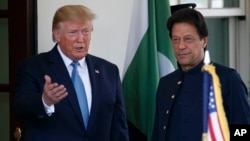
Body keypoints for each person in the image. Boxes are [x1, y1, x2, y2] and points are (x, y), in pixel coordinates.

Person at [14, 5, 129, 141]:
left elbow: (119, 125)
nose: (81, 39)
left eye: (86, 32)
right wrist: (44, 101)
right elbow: (20, 107)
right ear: (57, 34)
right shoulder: (33, 67)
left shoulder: (109, 71)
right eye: (73, 32)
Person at [152, 8, 250, 141]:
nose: (181, 46)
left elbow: (243, 131)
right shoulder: (166, 83)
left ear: (204, 41)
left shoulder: (227, 79)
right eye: (176, 39)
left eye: (188, 39)